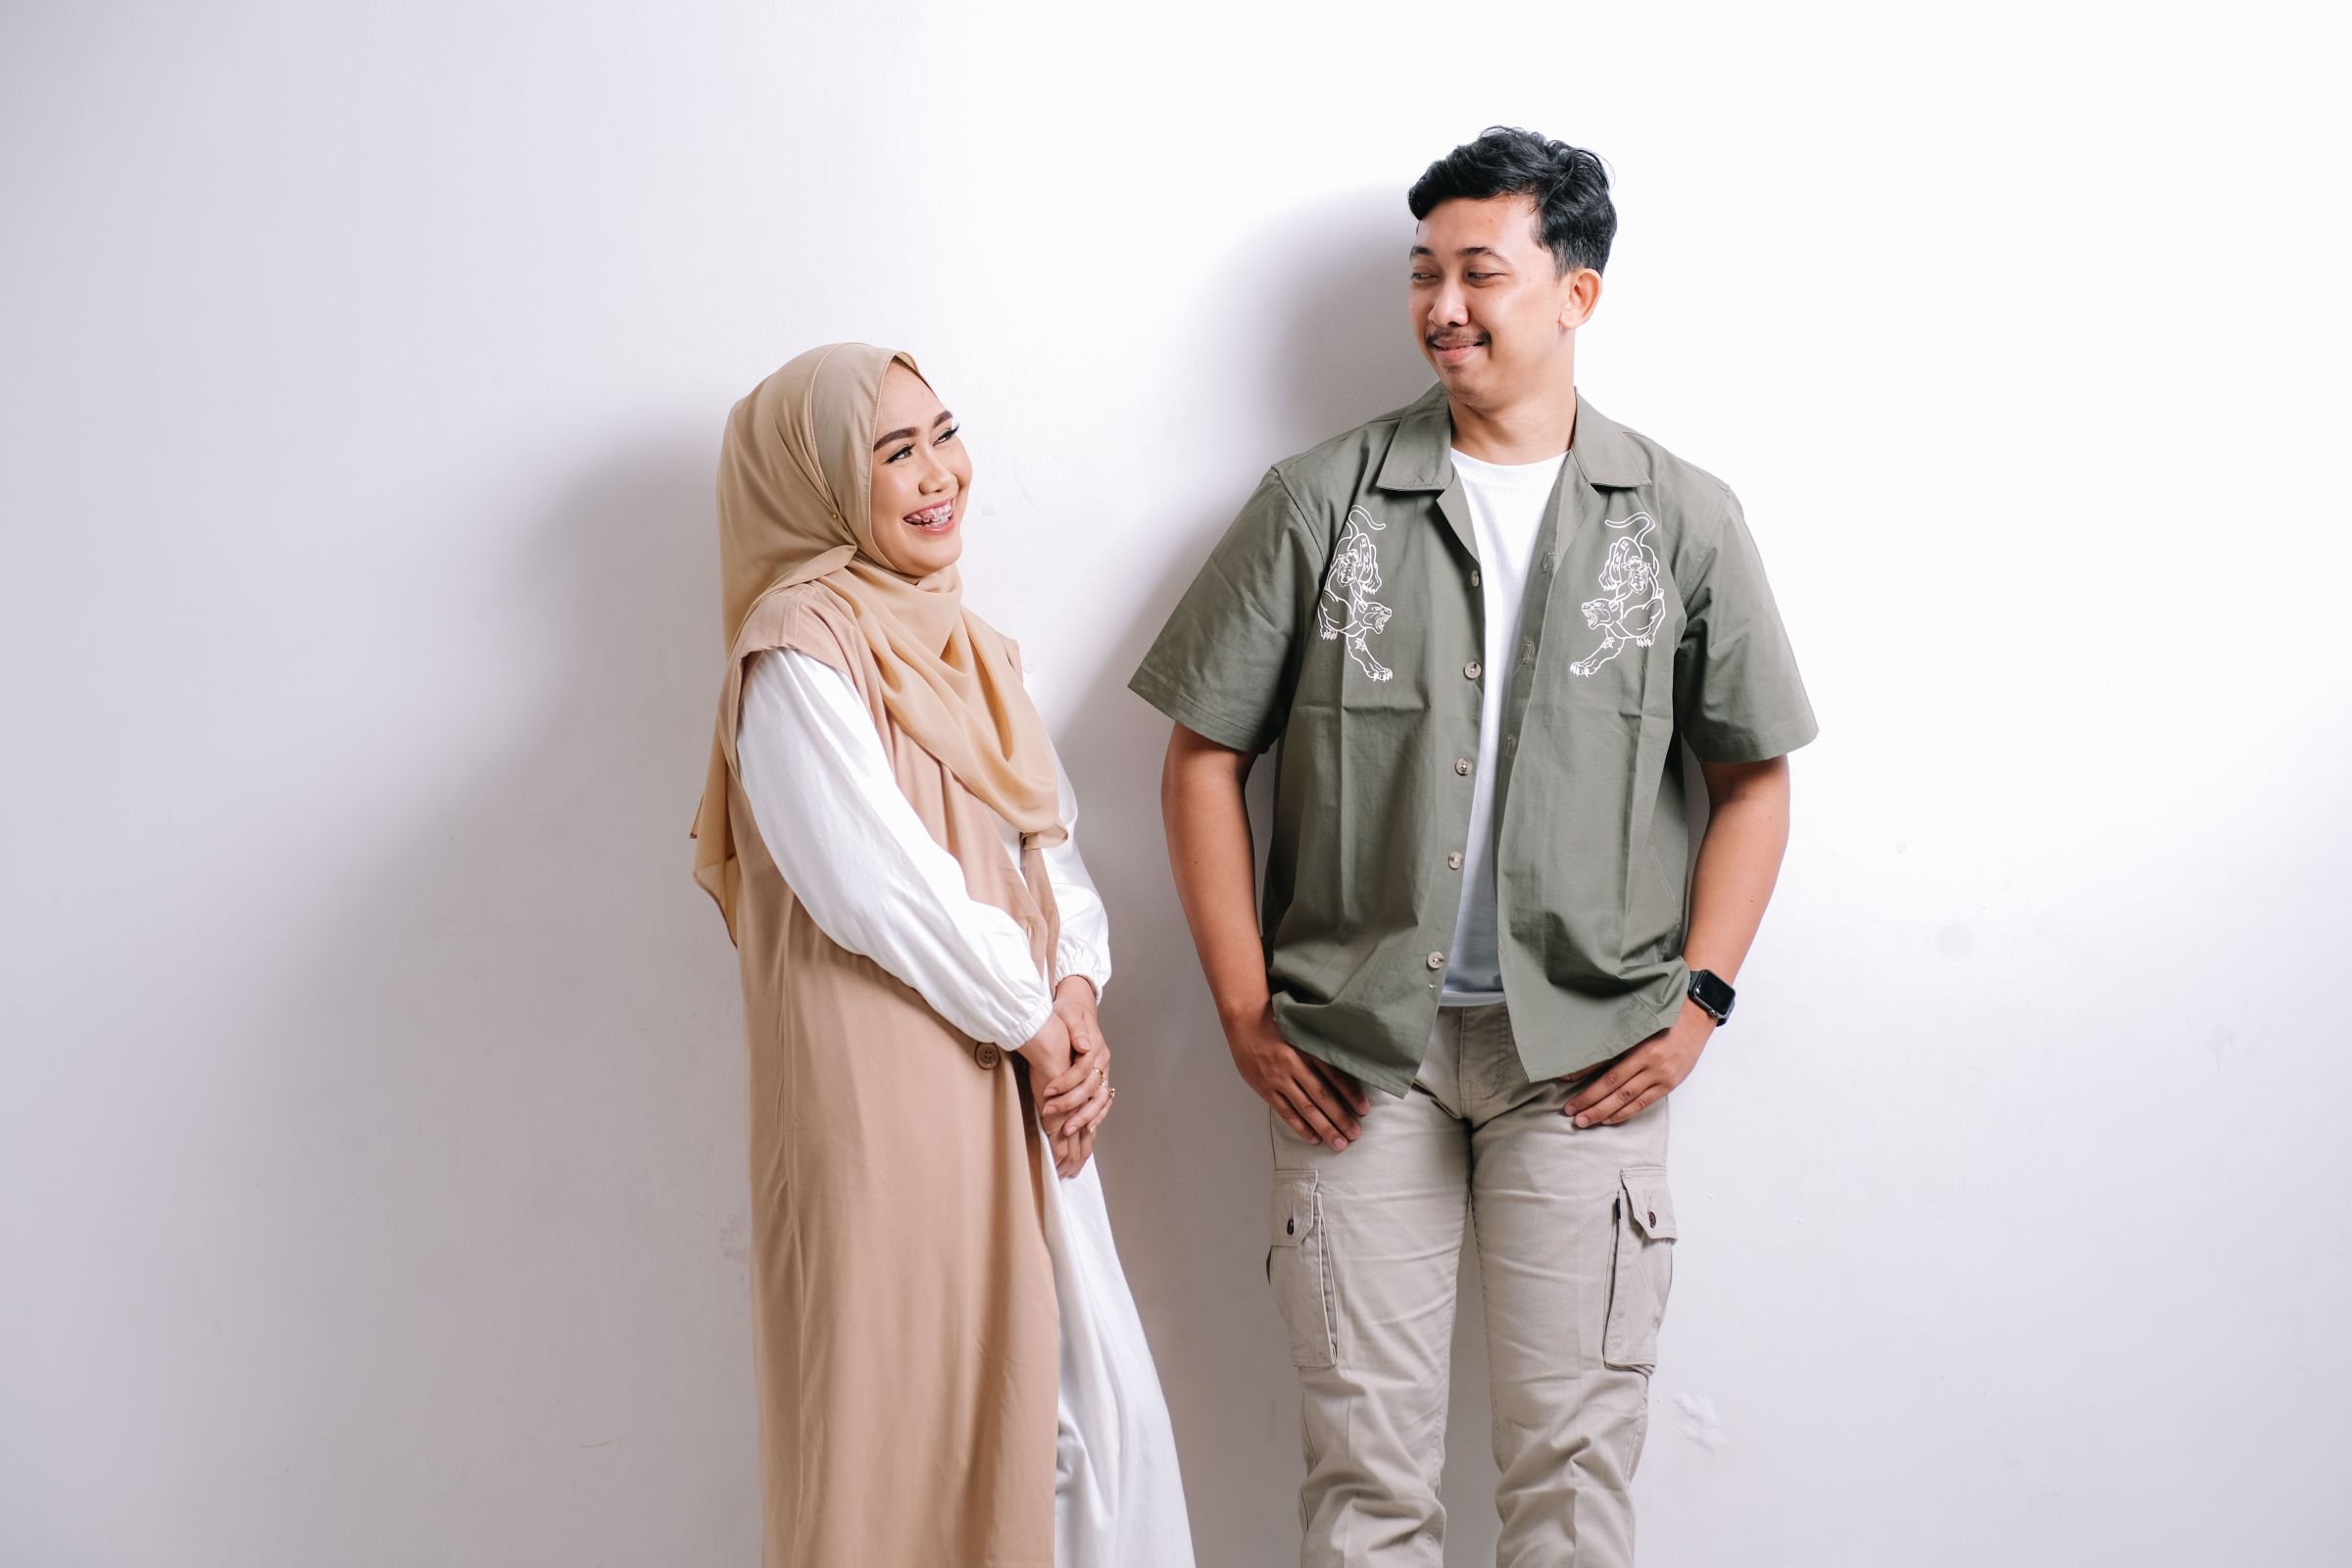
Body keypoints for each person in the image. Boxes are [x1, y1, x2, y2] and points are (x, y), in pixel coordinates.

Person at [1130, 129, 1817, 1565]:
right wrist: (1247, 1010)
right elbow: (1202, 757)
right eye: (1423, 273)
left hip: (1590, 1058)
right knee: (1366, 1484)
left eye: (1479, 273)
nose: (1443, 307)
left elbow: (1753, 777)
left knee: (1572, 1478)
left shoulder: (1682, 518)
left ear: (1577, 292)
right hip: (1354, 1058)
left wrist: (1698, 1004)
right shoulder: (1318, 502)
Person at [690, 343, 1194, 1568]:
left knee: (1088, 1423)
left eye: (944, 435)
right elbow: (878, 884)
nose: (938, 474)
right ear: (814, 483)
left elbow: (1049, 847)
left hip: (1021, 1075)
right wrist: (1035, 1019)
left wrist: (1076, 993)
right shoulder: (797, 650)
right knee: (915, 1424)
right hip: (893, 1096)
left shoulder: (975, 650)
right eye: (893, 452)